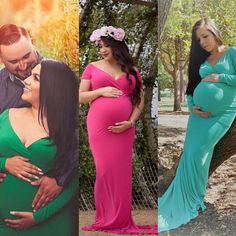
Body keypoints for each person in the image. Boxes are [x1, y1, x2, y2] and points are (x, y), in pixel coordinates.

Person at [158, 17, 236, 232]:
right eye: (199, 39)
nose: (202, 42)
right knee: (190, 153)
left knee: (199, 153)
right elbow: (191, 87)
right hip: (197, 117)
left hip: (221, 114)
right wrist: (192, 106)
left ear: (215, 32)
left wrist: (221, 77)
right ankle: (188, 195)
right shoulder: (200, 59)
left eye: (205, 36)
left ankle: (193, 198)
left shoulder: (232, 53)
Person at [79, 26, 157, 234]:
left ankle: (121, 219)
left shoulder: (132, 70)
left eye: (106, 46)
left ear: (117, 46)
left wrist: (131, 122)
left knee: (122, 173)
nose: (102, 50)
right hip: (99, 127)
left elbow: (140, 102)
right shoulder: (92, 67)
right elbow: (80, 96)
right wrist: (102, 90)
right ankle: (104, 218)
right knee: (104, 171)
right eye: (100, 46)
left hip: (125, 129)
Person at [0, 24, 78, 211]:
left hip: (54, 206)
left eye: (27, 56)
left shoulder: (61, 75)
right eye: (13, 61)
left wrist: (61, 178)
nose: (24, 66)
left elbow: (77, 132)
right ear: (1, 59)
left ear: (32, 43)